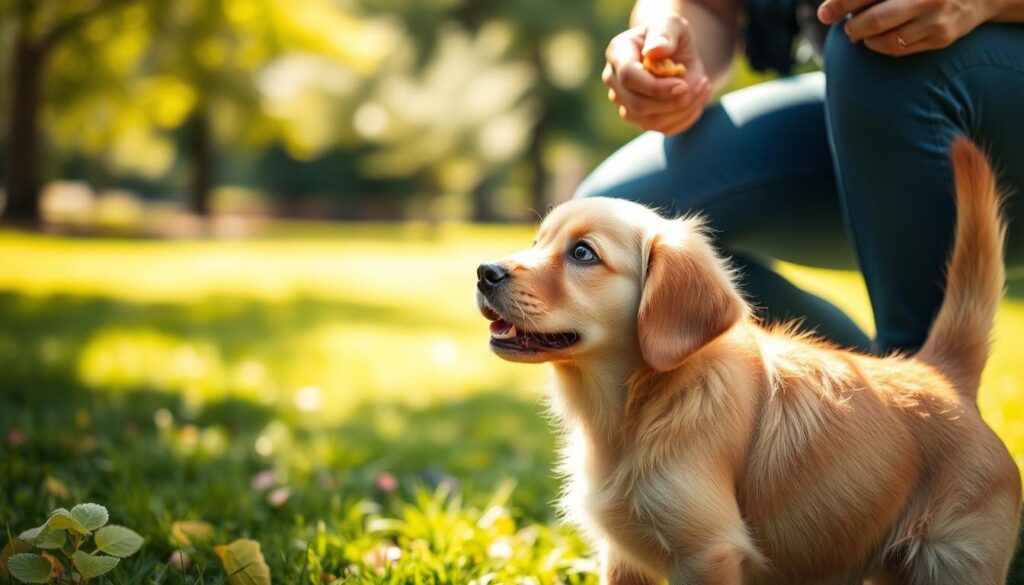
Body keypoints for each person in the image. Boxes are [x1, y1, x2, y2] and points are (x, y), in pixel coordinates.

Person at [575, 0, 1024, 353]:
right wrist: (663, 40)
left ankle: (933, 423)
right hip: (869, 113)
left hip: (971, 101)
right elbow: (706, 6)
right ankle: (863, 397)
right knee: (620, 228)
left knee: (882, 40)